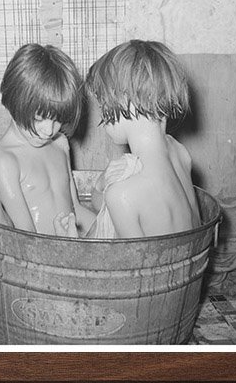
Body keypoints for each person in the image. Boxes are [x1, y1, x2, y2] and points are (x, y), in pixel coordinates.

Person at [0, 44, 96, 236]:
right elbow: (25, 234)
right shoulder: (4, 159)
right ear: (14, 102)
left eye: (58, 119)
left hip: (69, 241)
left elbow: (75, 209)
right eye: (38, 118)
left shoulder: (60, 143)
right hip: (30, 253)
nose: (48, 130)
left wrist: (111, 231)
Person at [84, 40, 200, 239]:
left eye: (103, 103)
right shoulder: (179, 151)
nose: (102, 116)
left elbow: (132, 266)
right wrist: (103, 182)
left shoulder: (122, 194)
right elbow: (196, 228)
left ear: (124, 100)